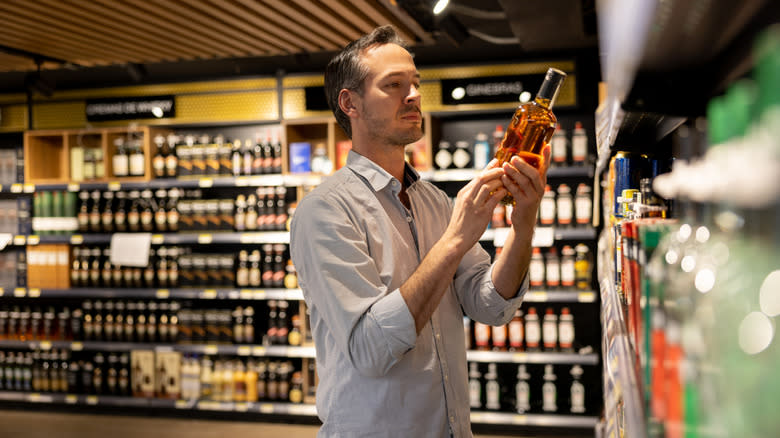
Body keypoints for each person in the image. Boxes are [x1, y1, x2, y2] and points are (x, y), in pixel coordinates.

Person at [290, 25, 551, 437]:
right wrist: (456, 239)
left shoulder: (435, 201)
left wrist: (524, 224)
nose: (412, 95)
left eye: (415, 83)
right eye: (393, 85)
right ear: (350, 103)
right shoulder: (325, 211)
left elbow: (490, 305)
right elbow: (372, 348)